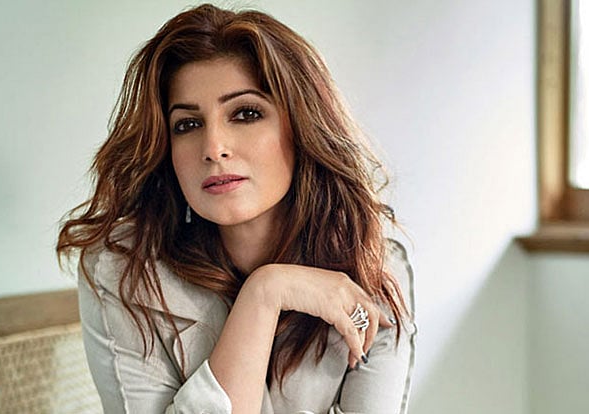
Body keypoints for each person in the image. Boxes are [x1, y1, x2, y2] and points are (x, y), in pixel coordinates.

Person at [57, 3, 416, 413]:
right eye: (187, 124)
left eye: (246, 113)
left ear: (301, 127)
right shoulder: (123, 269)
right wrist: (265, 293)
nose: (213, 148)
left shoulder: (373, 265)